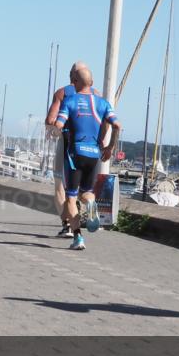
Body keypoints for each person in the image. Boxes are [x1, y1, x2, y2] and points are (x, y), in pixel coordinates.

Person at [53, 67, 122, 251]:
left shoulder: (70, 101)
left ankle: (78, 238)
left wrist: (56, 129)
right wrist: (110, 147)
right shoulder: (103, 103)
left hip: (74, 154)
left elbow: (58, 124)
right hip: (93, 154)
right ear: (91, 83)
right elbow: (116, 125)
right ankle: (91, 205)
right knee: (87, 193)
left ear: (74, 81)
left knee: (71, 197)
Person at [45, 62, 96, 237]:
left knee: (60, 186)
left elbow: (51, 120)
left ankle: (67, 225)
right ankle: (89, 205)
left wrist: (53, 130)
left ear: (71, 76)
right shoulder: (96, 95)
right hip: (91, 147)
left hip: (68, 144)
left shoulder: (63, 93)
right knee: (85, 190)